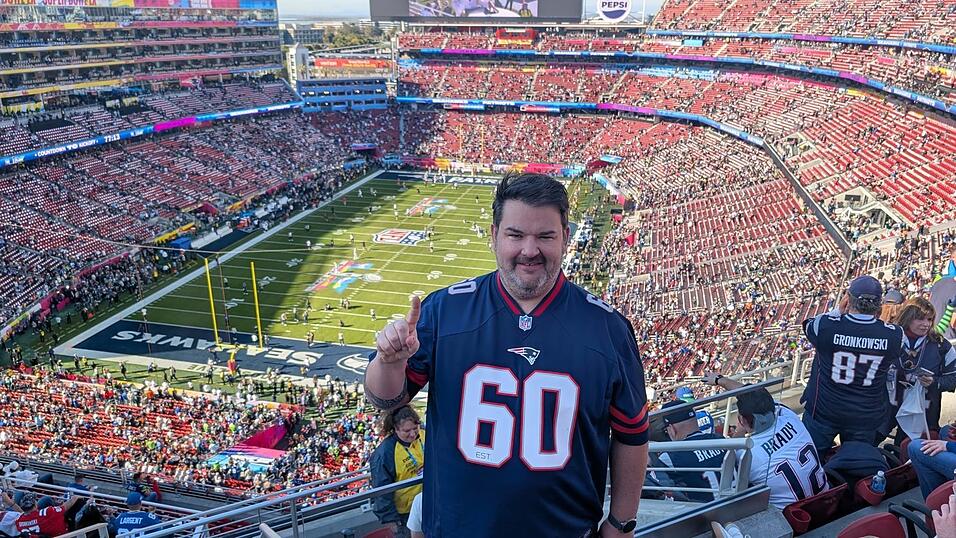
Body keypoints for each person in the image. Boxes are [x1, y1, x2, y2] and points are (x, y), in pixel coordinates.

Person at [364, 172, 649, 537]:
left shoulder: (607, 328)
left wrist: (621, 522)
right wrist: (389, 361)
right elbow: (387, 399)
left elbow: (632, 434)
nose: (530, 250)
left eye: (545, 236)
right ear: (494, 235)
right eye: (516, 235)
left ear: (565, 237)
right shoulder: (444, 310)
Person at [801, 275, 904, 458]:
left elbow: (808, 326)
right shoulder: (894, 335)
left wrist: (837, 311)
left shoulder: (826, 326)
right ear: (879, 304)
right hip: (865, 415)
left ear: (848, 299)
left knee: (811, 460)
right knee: (855, 466)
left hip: (825, 410)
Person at [702, 373, 828, 508]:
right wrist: (720, 380)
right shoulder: (788, 415)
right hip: (827, 500)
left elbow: (732, 451)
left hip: (792, 518)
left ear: (741, 420)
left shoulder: (745, 453)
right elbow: (753, 395)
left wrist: (740, 431)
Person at [883, 297, 956, 444]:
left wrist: (934, 382)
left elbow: (952, 380)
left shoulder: (941, 345)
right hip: (886, 408)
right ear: (907, 317)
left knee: (906, 454)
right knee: (867, 443)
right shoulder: (889, 338)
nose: (926, 324)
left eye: (929, 320)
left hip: (923, 413)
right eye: (920, 319)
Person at [370, 406, 425, 537]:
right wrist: (392, 522)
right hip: (405, 513)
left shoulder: (425, 434)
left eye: (415, 428)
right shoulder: (385, 454)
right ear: (395, 429)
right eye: (406, 431)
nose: (413, 434)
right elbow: (381, 492)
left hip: (431, 499)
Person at [656, 400, 725, 502]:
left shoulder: (670, 457)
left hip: (703, 513)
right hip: (738, 504)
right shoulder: (721, 440)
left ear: (671, 428)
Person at [14, 493, 79, 537]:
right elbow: (66, 506)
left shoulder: (18, 521)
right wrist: (75, 497)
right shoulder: (47, 512)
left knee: (47, 499)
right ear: (35, 505)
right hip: (65, 535)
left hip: (43, 533)